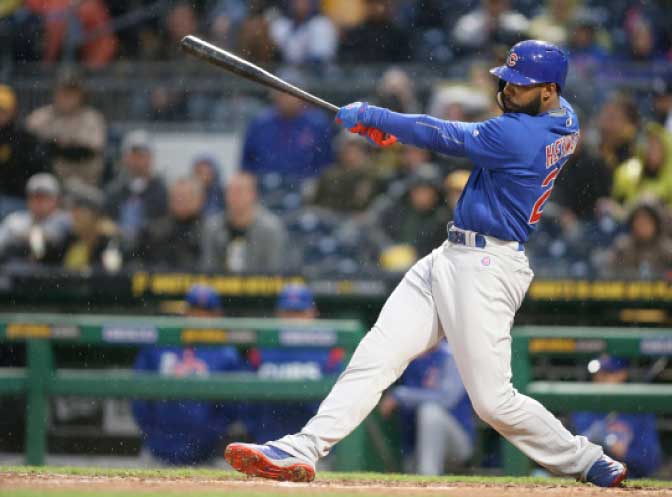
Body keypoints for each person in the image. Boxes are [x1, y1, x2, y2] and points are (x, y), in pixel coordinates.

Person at [224, 40, 627, 487]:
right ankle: (302, 447)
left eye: (520, 85)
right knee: (376, 356)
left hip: (488, 267)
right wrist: (398, 134)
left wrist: (376, 117)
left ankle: (585, 459)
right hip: (451, 256)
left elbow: (445, 135)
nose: (508, 90)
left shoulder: (524, 137)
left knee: (493, 402)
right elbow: (444, 137)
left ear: (549, 90)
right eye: (507, 80)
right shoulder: (562, 116)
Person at [132, 284, 243, 466]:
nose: (199, 317)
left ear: (216, 315)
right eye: (194, 310)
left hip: (207, 455)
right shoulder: (161, 344)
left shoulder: (226, 353)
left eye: (206, 312)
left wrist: (210, 435)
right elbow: (139, 398)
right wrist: (153, 434)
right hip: (156, 451)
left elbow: (232, 408)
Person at [241, 284, 346, 444]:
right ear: (278, 313)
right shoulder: (262, 348)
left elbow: (339, 405)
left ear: (313, 313)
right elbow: (244, 402)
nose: (294, 319)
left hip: (316, 448)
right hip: (267, 442)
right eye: (288, 313)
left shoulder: (330, 349)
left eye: (299, 313)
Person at [378, 341, 475, 475]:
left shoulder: (450, 355)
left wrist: (400, 395)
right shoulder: (408, 358)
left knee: (429, 411)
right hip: (415, 445)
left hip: (456, 442)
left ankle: (428, 476)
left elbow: (447, 399)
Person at [571, 355, 662, 478]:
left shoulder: (639, 412)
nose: (600, 379)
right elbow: (570, 459)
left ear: (622, 374)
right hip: (587, 480)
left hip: (630, 482)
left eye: (607, 374)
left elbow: (651, 463)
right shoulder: (583, 408)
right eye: (597, 374)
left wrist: (623, 452)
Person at [25, 69, 107, 186]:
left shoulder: (93, 118)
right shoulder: (40, 116)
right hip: (46, 186)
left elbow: (89, 150)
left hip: (84, 183)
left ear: (82, 94)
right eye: (63, 91)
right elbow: (28, 144)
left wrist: (57, 146)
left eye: (72, 92)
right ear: (55, 92)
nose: (67, 96)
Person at [241, 84, 334, 180]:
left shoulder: (318, 124)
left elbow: (326, 162)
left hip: (306, 183)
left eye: (292, 93)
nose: (288, 99)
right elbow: (247, 162)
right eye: (283, 93)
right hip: (264, 182)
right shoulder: (260, 123)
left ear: (303, 97)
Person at [200, 172, 288, 272]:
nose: (234, 196)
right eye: (230, 191)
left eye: (239, 191)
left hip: (259, 285)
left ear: (253, 195)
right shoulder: (213, 226)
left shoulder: (271, 228)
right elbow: (208, 268)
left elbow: (275, 271)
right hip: (220, 284)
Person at [104, 130, 168, 251]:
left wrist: (144, 233)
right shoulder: (114, 190)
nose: (137, 161)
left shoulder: (162, 190)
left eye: (141, 155)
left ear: (151, 158)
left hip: (154, 249)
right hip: (118, 248)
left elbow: (166, 222)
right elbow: (106, 219)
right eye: (133, 155)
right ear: (124, 158)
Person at [136, 178, 206, 270]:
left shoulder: (209, 231)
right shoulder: (153, 231)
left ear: (200, 200)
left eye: (185, 197)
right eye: (176, 197)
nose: (180, 201)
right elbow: (138, 263)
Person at [0, 173, 70, 264]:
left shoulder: (64, 219)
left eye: (44, 197)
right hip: (14, 272)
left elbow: (40, 247)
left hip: (51, 273)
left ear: (56, 199)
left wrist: (23, 236)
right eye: (35, 197)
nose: (39, 202)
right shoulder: (15, 219)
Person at [0, 84, 48, 218]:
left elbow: (37, 169)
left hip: (17, 199)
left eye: (2, 110)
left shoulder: (25, 138)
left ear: (13, 110)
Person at [61, 180, 122, 273]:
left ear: (94, 214)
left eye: (78, 210)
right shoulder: (71, 239)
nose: (73, 215)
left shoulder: (112, 242)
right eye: (72, 210)